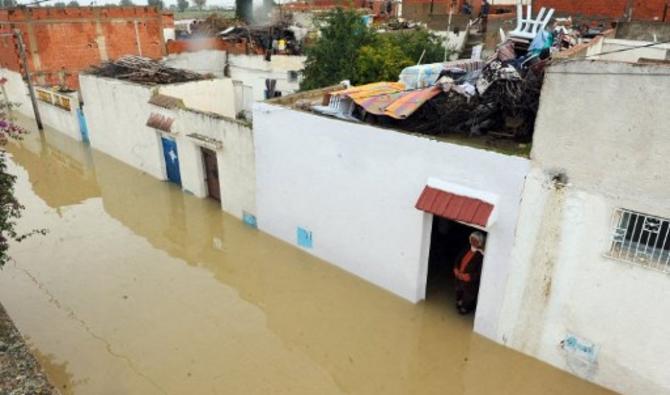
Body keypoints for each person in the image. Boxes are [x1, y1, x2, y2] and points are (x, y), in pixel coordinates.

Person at [453, 231, 485, 315]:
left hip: (470, 281)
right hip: (459, 276)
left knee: (468, 295)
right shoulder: (466, 248)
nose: (473, 242)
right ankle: (459, 302)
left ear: (480, 243)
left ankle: (466, 307)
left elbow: (480, 272)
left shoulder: (481, 256)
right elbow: (458, 258)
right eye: (472, 239)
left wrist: (469, 276)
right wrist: (456, 268)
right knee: (458, 289)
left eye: (476, 241)